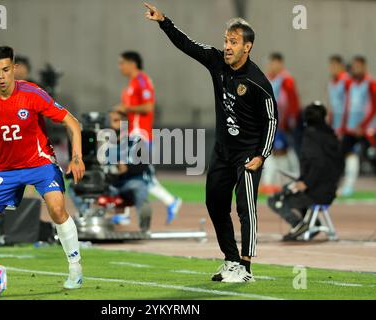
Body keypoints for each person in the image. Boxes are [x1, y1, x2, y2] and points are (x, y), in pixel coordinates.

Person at [145, 3, 277, 283]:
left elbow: (271, 121)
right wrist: (164, 22)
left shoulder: (258, 82)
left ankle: (246, 268)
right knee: (215, 203)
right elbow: (188, 45)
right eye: (226, 41)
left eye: (234, 42)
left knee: (245, 208)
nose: (227, 46)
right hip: (222, 151)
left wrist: (262, 155)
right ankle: (230, 260)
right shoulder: (216, 62)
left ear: (248, 47)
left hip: (248, 154)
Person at [0, 46, 85, 289]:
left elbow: (72, 122)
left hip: (40, 162)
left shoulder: (32, 93)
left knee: (57, 209)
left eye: (6, 69)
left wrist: (77, 157)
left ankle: (75, 268)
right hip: (6, 168)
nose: (2, 76)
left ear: (14, 68)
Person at [114, 51, 182, 224]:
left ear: (132, 63)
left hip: (140, 135)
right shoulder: (132, 83)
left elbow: (148, 106)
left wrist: (126, 108)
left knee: (138, 175)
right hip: (132, 134)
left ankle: (170, 201)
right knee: (133, 174)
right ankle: (126, 213)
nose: (120, 67)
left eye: (122, 63)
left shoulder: (142, 81)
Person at [268, 102, 344, 240]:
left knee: (276, 198)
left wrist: (306, 183)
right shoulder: (332, 135)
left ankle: (298, 225)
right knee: (292, 187)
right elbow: (338, 164)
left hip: (315, 192)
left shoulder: (310, 135)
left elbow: (318, 163)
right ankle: (312, 223)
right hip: (329, 190)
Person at [261, 52, 301, 194]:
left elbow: (292, 101)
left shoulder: (286, 79)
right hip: (269, 120)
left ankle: (280, 182)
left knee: (281, 151)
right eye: (270, 63)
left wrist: (292, 119)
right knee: (276, 151)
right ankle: (276, 182)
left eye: (275, 63)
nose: (272, 66)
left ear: (280, 63)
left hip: (281, 122)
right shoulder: (266, 78)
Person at [107, 110, 152, 231]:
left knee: (139, 186)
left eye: (116, 121)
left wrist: (126, 169)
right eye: (110, 121)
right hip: (109, 184)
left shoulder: (136, 142)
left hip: (129, 183)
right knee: (79, 187)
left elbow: (144, 165)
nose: (111, 125)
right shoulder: (103, 144)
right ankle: (85, 223)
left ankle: (144, 228)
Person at [340, 56, 376, 196]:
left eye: (358, 66)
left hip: (368, 128)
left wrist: (364, 125)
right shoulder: (349, 84)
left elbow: (374, 107)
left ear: (364, 66)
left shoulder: (370, 83)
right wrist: (344, 126)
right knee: (348, 153)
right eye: (353, 66)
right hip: (352, 128)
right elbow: (347, 106)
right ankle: (348, 185)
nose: (355, 69)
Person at [327, 55, 349, 136]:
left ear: (341, 66)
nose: (332, 68)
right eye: (331, 65)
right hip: (336, 119)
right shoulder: (331, 82)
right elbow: (332, 102)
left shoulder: (347, 80)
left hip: (346, 119)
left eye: (334, 65)